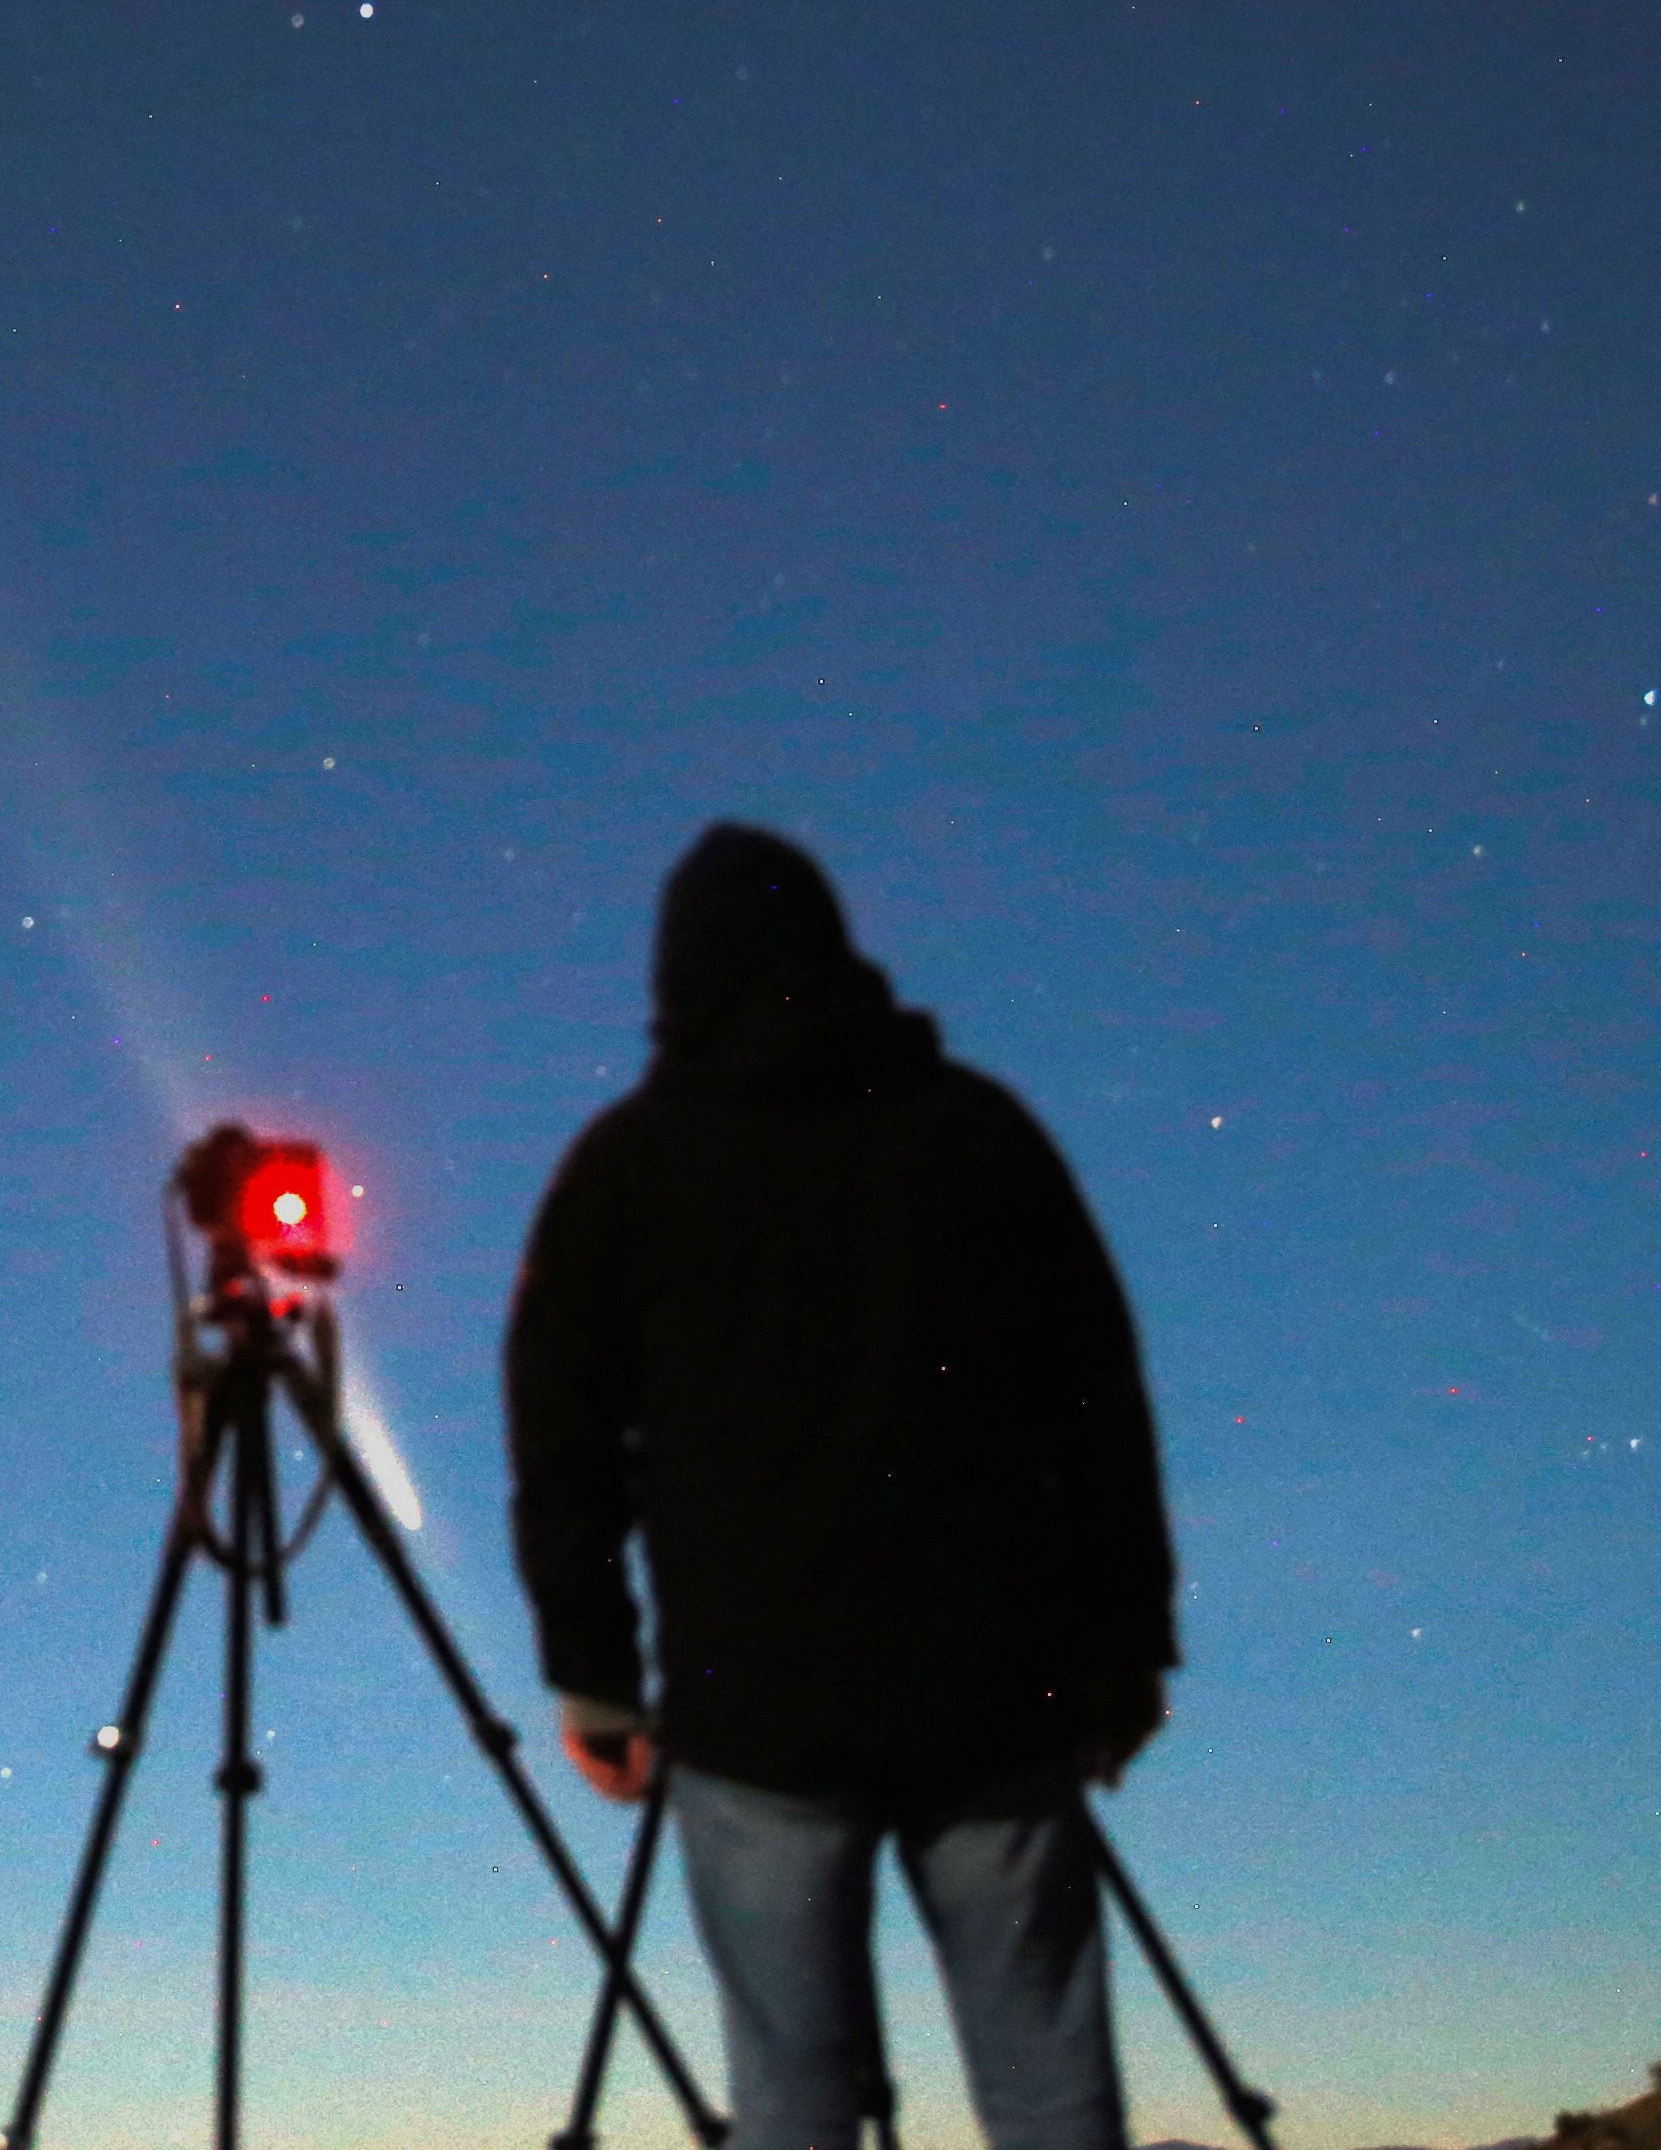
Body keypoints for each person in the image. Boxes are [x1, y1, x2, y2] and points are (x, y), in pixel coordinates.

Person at [504, 822, 1179, 2150]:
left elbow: (560, 1437)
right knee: (1049, 2089)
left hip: (755, 1713)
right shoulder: (978, 1132)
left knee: (792, 2097)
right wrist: (1123, 1650)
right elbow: (1096, 1405)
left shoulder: (629, 1168)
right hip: (997, 1692)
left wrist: (594, 1673)